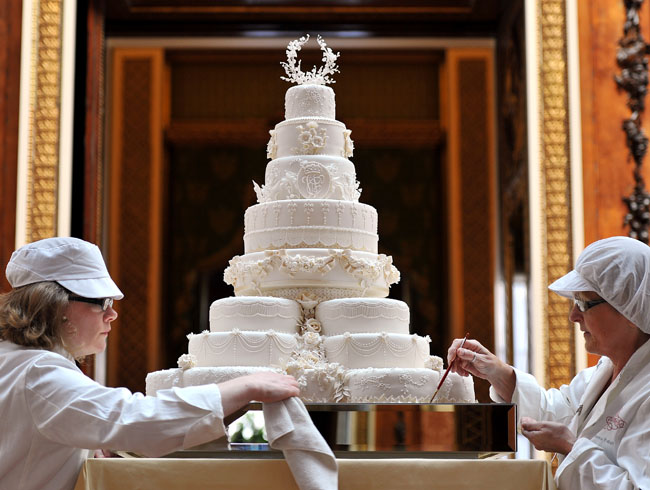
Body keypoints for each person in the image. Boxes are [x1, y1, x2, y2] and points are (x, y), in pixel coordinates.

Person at [0, 237, 300, 490]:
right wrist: (246, 386)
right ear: (56, 305)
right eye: (102, 302)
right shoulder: (38, 373)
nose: (112, 315)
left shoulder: (16, 362)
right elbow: (133, 418)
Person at [448, 236, 650, 489]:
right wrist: (497, 372)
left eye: (583, 303)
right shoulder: (602, 373)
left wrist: (570, 447)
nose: (573, 316)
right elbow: (556, 413)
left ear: (628, 307)